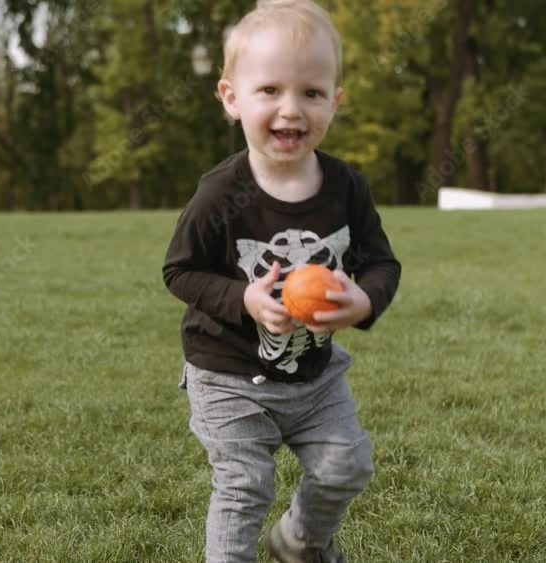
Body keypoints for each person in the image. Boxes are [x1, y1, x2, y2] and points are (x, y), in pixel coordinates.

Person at [161, 1, 402, 561]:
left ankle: (301, 541)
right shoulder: (220, 193)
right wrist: (244, 299)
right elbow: (179, 270)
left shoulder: (345, 187)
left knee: (348, 464)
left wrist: (362, 299)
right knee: (245, 488)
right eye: (269, 90)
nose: (290, 109)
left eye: (312, 93)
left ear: (335, 102)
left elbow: (382, 263)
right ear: (231, 98)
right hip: (227, 376)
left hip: (315, 376)